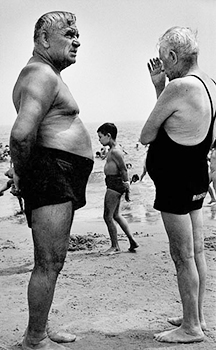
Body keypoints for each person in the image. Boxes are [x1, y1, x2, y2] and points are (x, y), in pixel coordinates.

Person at [10, 11, 94, 350]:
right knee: (48, 261)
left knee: (54, 260)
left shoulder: (48, 75)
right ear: (44, 39)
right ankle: (34, 339)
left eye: (77, 34)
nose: (77, 40)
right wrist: (23, 171)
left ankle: (40, 329)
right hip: (50, 173)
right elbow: (20, 135)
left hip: (56, 174)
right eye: (69, 33)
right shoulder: (40, 74)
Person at [140, 27, 216, 343]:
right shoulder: (211, 84)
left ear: (173, 56)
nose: (164, 69)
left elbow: (147, 134)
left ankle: (191, 328)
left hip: (175, 180)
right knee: (196, 251)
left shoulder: (180, 87)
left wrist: (161, 88)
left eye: (164, 61)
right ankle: (195, 316)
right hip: (196, 173)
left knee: (181, 254)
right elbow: (200, 133)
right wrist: (162, 84)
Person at [97, 123, 139, 254]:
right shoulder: (112, 149)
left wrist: (127, 184)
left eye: (100, 137)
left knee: (107, 216)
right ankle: (132, 241)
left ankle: (115, 246)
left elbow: (123, 169)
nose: (99, 140)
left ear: (108, 136)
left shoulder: (115, 151)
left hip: (114, 184)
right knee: (116, 215)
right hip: (113, 183)